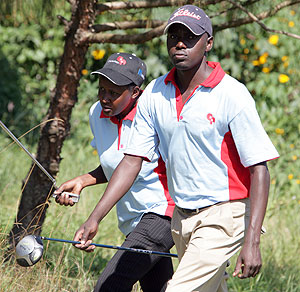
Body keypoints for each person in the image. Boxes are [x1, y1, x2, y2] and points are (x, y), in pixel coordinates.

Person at [73, 5, 279, 292]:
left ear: (208, 43)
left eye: (190, 36)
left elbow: (259, 169)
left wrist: (252, 240)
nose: (180, 43)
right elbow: (132, 161)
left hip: (225, 214)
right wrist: (95, 218)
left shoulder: (232, 94)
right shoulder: (155, 93)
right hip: (182, 219)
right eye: (174, 36)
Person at [54, 52, 175, 292]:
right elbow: (113, 164)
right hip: (132, 220)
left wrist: (93, 219)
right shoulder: (96, 114)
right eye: (102, 90)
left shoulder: (151, 116)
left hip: (161, 214)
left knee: (109, 286)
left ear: (135, 93)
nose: (105, 99)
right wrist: (82, 181)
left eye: (114, 93)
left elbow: (133, 165)